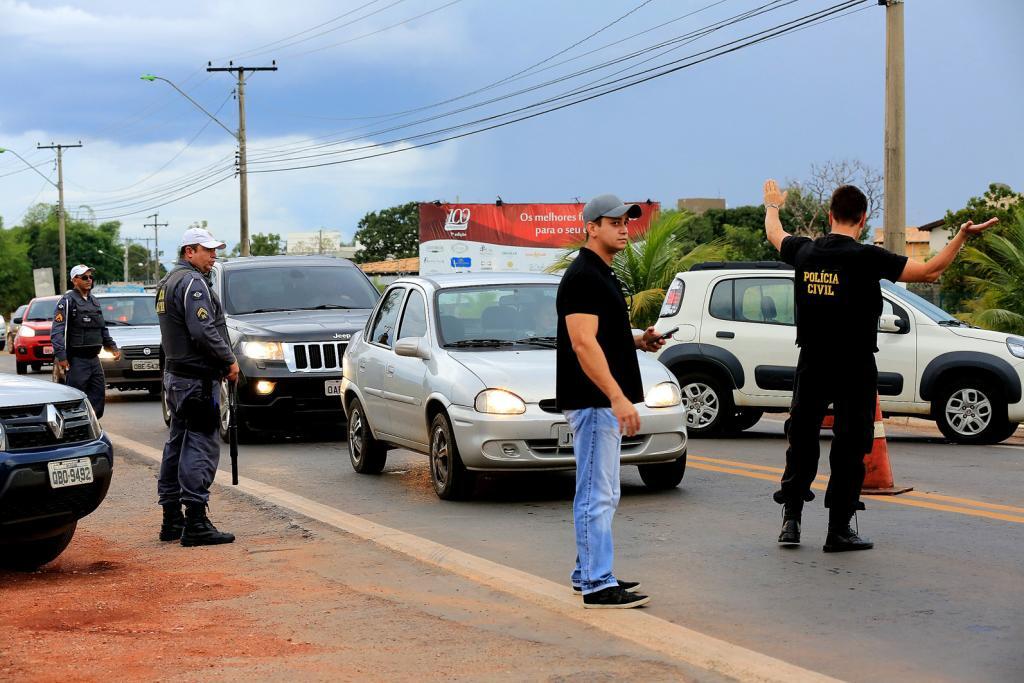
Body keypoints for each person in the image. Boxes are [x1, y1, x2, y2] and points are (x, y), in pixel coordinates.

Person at [763, 179, 999, 552]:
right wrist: (961, 237)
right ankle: (837, 530)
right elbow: (930, 271)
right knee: (850, 445)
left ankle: (790, 521)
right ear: (863, 218)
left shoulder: (805, 252)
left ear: (830, 215)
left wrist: (773, 204)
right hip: (853, 365)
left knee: (803, 438)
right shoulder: (867, 258)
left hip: (811, 360)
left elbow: (775, 233)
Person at [556, 194, 667, 608]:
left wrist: (639, 339)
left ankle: (588, 571)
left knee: (603, 492)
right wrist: (617, 397)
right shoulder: (584, 275)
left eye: (627, 221)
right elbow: (583, 343)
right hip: (594, 400)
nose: (624, 227)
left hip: (599, 400)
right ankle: (598, 584)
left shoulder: (601, 273)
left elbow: (601, 335)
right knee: (596, 493)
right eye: (614, 221)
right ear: (592, 227)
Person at [156, 227, 240, 547]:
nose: (213, 256)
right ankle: (195, 521)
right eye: (208, 251)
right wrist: (229, 361)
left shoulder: (168, 282)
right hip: (196, 380)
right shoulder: (192, 282)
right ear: (189, 251)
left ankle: (171, 519)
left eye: (215, 250)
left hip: (178, 377)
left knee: (177, 444)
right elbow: (203, 329)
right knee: (200, 445)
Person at [50, 265, 120, 417]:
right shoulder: (67, 302)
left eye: (90, 277)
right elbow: (57, 332)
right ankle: (75, 430)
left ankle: (92, 428)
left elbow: (102, 327)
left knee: (98, 398)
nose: (89, 280)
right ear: (75, 280)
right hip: (77, 360)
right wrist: (61, 356)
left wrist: (112, 346)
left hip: (94, 360)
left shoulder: (94, 301)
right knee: (75, 400)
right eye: (84, 277)